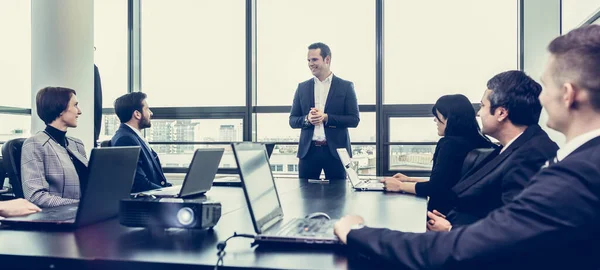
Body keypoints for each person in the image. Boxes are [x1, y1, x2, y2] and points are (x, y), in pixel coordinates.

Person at [334, 24, 600, 269]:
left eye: (547, 84)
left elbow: (501, 243)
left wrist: (358, 233)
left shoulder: (573, 171)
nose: (541, 97)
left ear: (567, 94)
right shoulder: (552, 154)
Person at [382, 94, 496, 213]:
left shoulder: (450, 144)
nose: (435, 119)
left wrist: (400, 186)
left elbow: (436, 188)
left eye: (437, 115)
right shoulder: (483, 142)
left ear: (450, 117)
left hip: (440, 215)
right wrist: (409, 180)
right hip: (464, 212)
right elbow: (450, 182)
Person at [289, 42, 360, 180]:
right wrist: (307, 119)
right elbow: (292, 120)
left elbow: (354, 119)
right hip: (308, 152)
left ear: (327, 59)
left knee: (338, 198)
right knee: (305, 198)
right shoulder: (302, 87)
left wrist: (326, 117)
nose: (310, 63)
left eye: (314, 59)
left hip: (335, 152)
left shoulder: (345, 86)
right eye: (308, 60)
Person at [21, 87, 88, 208]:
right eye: (75, 105)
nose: (79, 111)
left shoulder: (77, 145)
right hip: (57, 219)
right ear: (61, 108)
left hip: (86, 216)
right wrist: (82, 205)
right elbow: (35, 197)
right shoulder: (35, 144)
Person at [111, 92, 170, 193]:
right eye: (147, 109)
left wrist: (173, 189)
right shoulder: (125, 140)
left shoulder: (133, 137)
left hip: (154, 197)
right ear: (137, 114)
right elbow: (139, 184)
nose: (151, 113)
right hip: (146, 203)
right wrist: (167, 192)